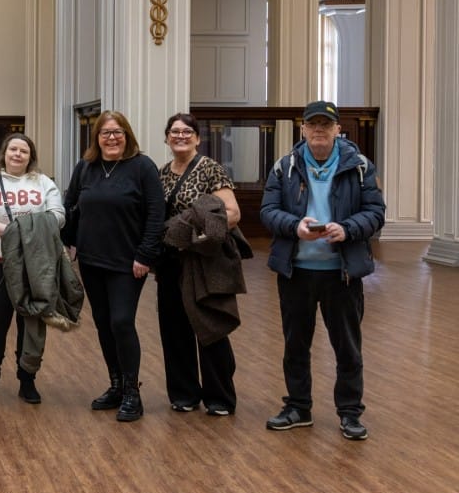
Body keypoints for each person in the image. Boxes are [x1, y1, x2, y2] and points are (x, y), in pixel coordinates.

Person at [261, 100, 386, 441]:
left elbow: (375, 212)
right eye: (313, 124)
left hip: (341, 273)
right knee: (295, 345)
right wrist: (293, 225)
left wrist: (347, 228)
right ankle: (298, 408)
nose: (319, 130)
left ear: (337, 130)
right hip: (296, 271)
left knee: (347, 346)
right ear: (302, 129)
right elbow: (268, 210)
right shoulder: (284, 166)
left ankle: (349, 413)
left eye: (325, 125)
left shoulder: (358, 165)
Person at [62, 110, 163, 422]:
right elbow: (70, 205)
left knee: (121, 322)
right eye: (105, 132)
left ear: (127, 135)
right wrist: (70, 240)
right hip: (92, 261)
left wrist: (145, 255)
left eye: (117, 131)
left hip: (128, 263)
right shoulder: (86, 167)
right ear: (97, 138)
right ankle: (116, 385)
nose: (112, 137)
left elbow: (156, 214)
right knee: (104, 324)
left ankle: (133, 391)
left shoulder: (142, 167)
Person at [157, 112, 242, 417]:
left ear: (197, 138)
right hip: (170, 262)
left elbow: (232, 214)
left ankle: (220, 398)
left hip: (202, 261)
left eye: (187, 131)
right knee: (174, 328)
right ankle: (184, 394)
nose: (180, 136)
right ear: (167, 137)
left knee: (210, 326)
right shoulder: (162, 172)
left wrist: (194, 232)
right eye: (175, 131)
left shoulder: (210, 169)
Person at [0, 132, 65, 405]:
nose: (17, 155)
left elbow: (58, 216)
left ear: (30, 157)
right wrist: (14, 232)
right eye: (13, 149)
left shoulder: (43, 182)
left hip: (35, 264)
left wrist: (24, 233)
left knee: (31, 323)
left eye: (24, 151)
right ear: (5, 152)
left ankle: (27, 380)